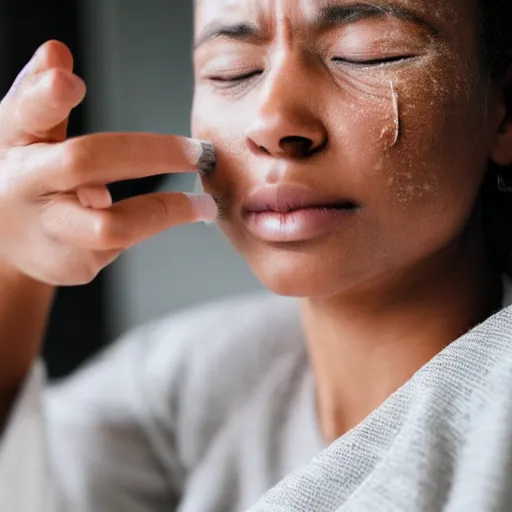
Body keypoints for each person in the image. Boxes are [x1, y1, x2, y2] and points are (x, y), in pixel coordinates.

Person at [0, 0, 511, 510]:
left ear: (503, 108)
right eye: (232, 70)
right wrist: (14, 273)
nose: (271, 122)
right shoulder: (180, 386)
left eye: (367, 55)